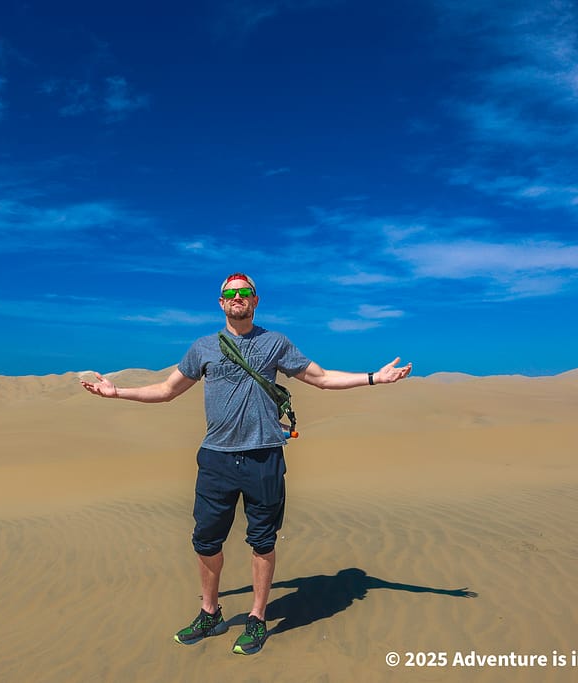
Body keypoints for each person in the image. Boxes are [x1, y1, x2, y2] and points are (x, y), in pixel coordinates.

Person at [80, 273, 412, 655]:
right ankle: (210, 613)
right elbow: (167, 390)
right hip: (216, 459)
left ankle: (257, 617)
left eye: (245, 292)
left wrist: (374, 378)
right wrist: (117, 392)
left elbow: (320, 378)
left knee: (263, 541)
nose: (237, 297)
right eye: (230, 293)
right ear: (221, 302)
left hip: (264, 457)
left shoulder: (275, 343)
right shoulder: (203, 348)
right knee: (206, 541)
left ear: (255, 300)